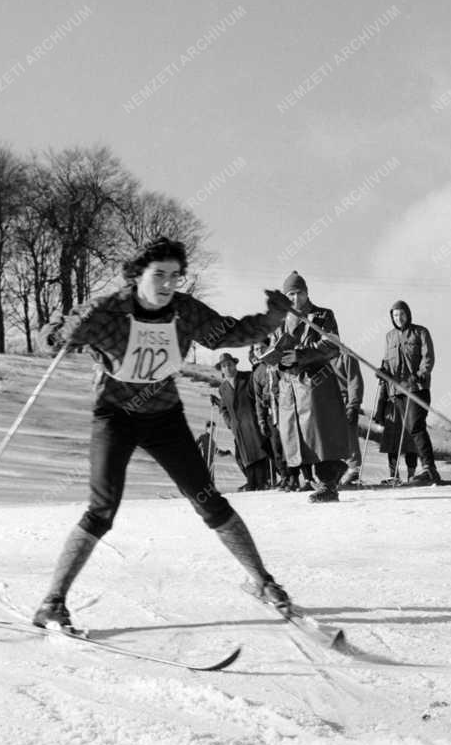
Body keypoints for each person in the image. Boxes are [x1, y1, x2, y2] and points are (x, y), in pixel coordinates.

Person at [31, 237, 294, 632]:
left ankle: (264, 582)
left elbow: (230, 333)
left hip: (163, 415)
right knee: (101, 510)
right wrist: (59, 332)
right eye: (159, 275)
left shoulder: (185, 311)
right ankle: (53, 602)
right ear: (138, 275)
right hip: (115, 415)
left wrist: (273, 317)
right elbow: (51, 340)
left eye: (175, 276)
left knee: (208, 500)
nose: (168, 284)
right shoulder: (108, 310)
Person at [267, 271, 350, 502]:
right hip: (290, 387)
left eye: (299, 293)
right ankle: (326, 476)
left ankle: (328, 484)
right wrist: (276, 359)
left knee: (321, 435)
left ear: (307, 292)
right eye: (290, 294)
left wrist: (301, 354)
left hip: (316, 385)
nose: (295, 299)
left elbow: (332, 346)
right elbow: (274, 348)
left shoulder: (322, 315)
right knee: (299, 440)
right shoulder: (279, 321)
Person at [381, 300, 442, 484]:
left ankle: (429, 469)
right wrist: (383, 371)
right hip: (397, 391)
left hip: (417, 388)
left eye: (401, 314)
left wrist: (421, 374)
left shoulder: (420, 332)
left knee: (416, 426)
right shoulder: (389, 336)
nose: (398, 318)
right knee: (407, 429)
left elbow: (428, 357)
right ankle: (403, 472)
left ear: (408, 314)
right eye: (395, 315)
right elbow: (386, 360)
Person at [216, 352, 269, 491]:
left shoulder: (247, 377)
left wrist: (260, 416)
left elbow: (258, 396)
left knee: (260, 451)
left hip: (253, 422)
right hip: (238, 427)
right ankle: (252, 482)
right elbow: (223, 408)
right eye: (224, 366)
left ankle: (263, 482)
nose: (228, 368)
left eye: (230, 364)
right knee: (244, 456)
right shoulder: (222, 388)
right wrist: (230, 423)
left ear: (235, 365)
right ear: (221, 369)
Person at [250, 341, 286, 487]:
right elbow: (258, 399)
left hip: (285, 410)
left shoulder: (278, 364)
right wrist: (261, 421)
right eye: (256, 349)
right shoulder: (257, 372)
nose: (259, 351)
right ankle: (285, 476)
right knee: (276, 447)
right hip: (271, 414)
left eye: (261, 348)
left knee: (289, 445)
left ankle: (299, 477)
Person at [372, 377, 419, 483]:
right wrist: (380, 412)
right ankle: (394, 475)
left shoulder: (411, 361)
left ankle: (411, 475)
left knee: (411, 441)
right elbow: (383, 393)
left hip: (410, 401)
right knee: (392, 443)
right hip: (392, 407)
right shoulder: (387, 362)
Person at [332, 351, 365, 486]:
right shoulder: (319, 358)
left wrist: (353, 405)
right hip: (327, 402)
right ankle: (336, 472)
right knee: (331, 440)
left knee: (349, 436)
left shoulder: (346, 357)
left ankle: (353, 469)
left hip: (345, 402)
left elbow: (354, 380)